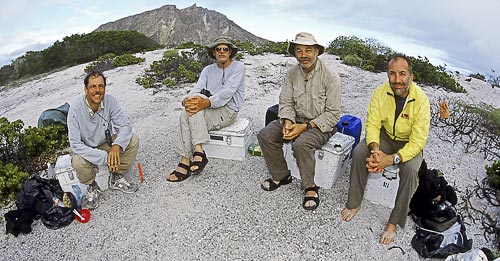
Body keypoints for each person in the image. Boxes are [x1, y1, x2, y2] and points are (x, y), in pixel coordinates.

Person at [341, 54, 430, 244]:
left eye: (402, 74)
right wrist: (375, 150)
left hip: (408, 143)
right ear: (388, 75)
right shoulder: (380, 92)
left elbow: (418, 141)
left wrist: (390, 159)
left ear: (411, 77)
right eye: (392, 74)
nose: (397, 80)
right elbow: (372, 124)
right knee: (358, 152)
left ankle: (394, 222)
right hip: (385, 136)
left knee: (411, 170)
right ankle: (354, 202)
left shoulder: (422, 100)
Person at [257, 32, 341, 210]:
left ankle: (310, 186)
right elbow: (286, 102)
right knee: (265, 135)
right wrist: (287, 121)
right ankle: (282, 175)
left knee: (301, 144)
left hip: (320, 124)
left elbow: (333, 114)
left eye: (308, 50)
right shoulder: (291, 74)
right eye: (299, 50)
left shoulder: (331, 76)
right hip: (296, 119)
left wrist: (306, 127)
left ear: (317, 52)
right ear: (295, 53)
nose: (304, 55)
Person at [166, 37, 245, 182]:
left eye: (225, 49)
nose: (222, 52)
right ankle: (195, 153)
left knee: (195, 110)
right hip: (210, 108)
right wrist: (188, 99)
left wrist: (207, 102)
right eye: (218, 49)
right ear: (214, 52)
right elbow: (198, 88)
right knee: (187, 111)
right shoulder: (208, 70)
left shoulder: (238, 67)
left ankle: (188, 159)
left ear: (230, 52)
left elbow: (228, 92)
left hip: (228, 111)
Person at [68, 71, 139, 210]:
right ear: (86, 89)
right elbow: (75, 144)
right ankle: (91, 186)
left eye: (101, 86)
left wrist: (117, 146)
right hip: (85, 148)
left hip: (106, 143)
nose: (97, 90)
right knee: (77, 162)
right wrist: (105, 158)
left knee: (133, 140)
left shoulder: (110, 101)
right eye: (93, 86)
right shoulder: (75, 108)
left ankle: (116, 175)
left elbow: (125, 126)